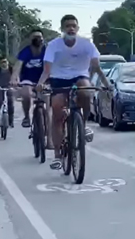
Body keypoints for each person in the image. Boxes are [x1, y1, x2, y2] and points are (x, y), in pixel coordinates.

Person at [36, 14, 110, 170]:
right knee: (57, 109)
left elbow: (96, 67)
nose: (71, 28)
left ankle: (82, 125)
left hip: (79, 76)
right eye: (67, 26)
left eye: (73, 26)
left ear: (77, 28)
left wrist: (107, 84)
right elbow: (47, 70)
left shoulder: (86, 44)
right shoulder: (53, 45)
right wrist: (40, 84)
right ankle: (57, 155)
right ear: (62, 29)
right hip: (59, 78)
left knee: (85, 89)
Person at [11, 28, 46, 128]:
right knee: (26, 93)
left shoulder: (47, 51)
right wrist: (14, 78)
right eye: (35, 37)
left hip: (45, 80)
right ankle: (26, 116)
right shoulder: (25, 52)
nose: (38, 39)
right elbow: (18, 66)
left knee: (51, 100)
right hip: (28, 80)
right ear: (30, 39)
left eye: (40, 37)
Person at [0, 56, 14, 127]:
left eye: (5, 62)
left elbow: (16, 78)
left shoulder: (12, 70)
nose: (4, 64)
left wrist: (16, 84)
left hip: (9, 87)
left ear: (8, 62)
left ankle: (11, 121)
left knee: (10, 103)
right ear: (0, 63)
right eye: (2, 62)